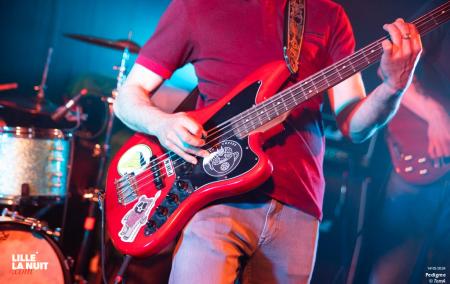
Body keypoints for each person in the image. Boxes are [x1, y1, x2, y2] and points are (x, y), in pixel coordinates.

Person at [113, 0, 422, 283]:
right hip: (212, 197)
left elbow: (354, 126)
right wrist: (162, 122)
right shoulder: (196, 6)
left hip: (298, 206)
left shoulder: (328, 14)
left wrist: (394, 87)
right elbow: (129, 97)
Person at [368, 1, 449, 283]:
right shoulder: (443, 11)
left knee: (439, 270)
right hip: (425, 160)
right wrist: (436, 114)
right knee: (395, 260)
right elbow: (390, 71)